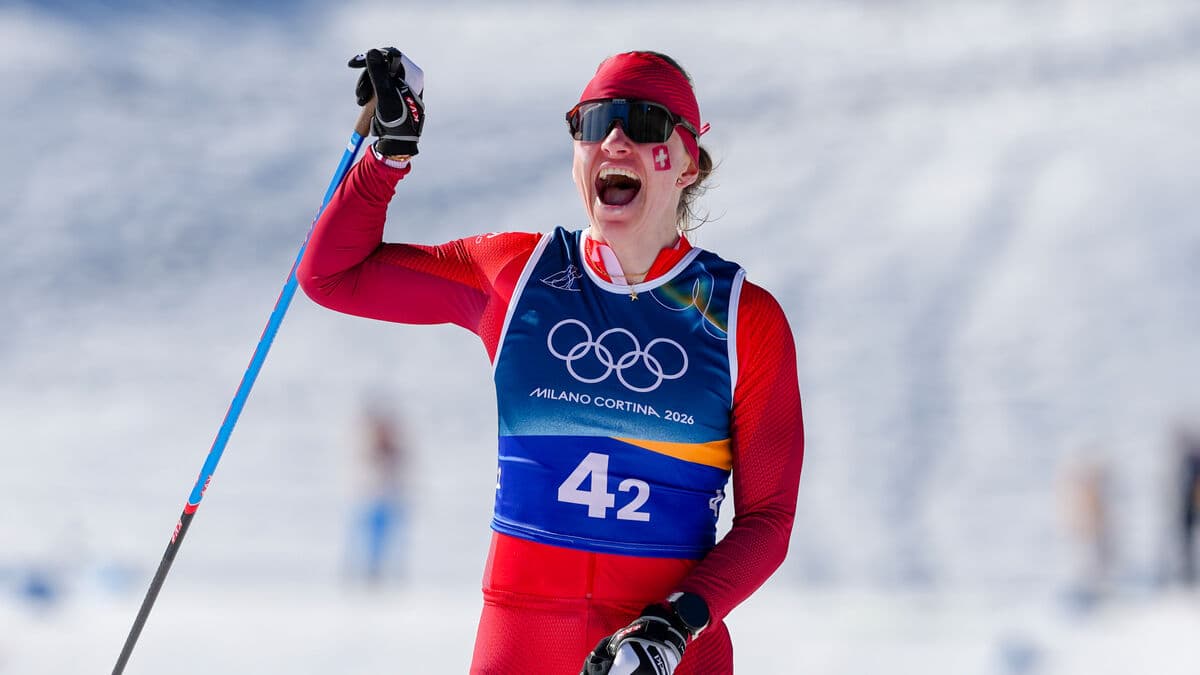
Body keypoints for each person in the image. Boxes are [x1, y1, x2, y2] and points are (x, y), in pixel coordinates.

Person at [298, 47, 805, 674]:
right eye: (591, 123)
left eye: (642, 123)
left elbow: (768, 519)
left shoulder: (741, 318)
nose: (613, 140)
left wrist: (677, 622)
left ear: (687, 164)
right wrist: (388, 155)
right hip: (518, 646)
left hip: (659, 655)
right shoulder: (517, 276)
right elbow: (331, 275)